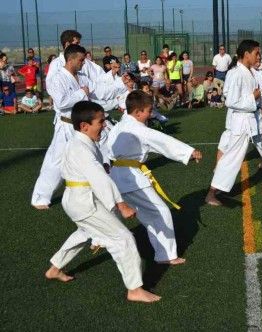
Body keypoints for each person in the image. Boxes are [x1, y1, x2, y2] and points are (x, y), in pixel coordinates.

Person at [45, 100, 161, 303]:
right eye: (100, 122)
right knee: (123, 238)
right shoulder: (81, 147)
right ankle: (134, 289)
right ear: (84, 125)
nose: (104, 125)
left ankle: (55, 268)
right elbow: (98, 177)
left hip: (77, 199)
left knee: (85, 232)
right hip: (84, 202)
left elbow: (92, 172)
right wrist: (121, 204)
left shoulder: (81, 142)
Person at [107, 90, 202, 265]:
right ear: (137, 112)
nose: (151, 114)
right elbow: (161, 141)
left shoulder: (120, 126)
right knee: (159, 212)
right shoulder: (137, 129)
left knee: (103, 216)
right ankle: (165, 255)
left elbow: (153, 144)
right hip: (130, 179)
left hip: (116, 176)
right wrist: (189, 152)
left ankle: (61, 260)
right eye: (149, 111)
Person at [31, 44, 119, 209]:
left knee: (98, 156)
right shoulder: (58, 78)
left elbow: (98, 92)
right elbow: (62, 102)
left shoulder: (82, 77)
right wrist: (81, 93)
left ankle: (106, 193)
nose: (83, 63)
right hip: (66, 126)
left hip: (84, 127)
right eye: (81, 60)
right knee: (56, 163)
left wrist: (120, 88)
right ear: (70, 59)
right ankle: (40, 198)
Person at [205, 39, 262, 206]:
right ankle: (211, 193)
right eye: (256, 53)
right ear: (246, 54)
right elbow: (231, 101)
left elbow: (256, 92)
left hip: (255, 119)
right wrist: (254, 97)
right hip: (242, 121)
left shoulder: (250, 72)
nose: (259, 56)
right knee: (232, 158)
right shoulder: (235, 73)